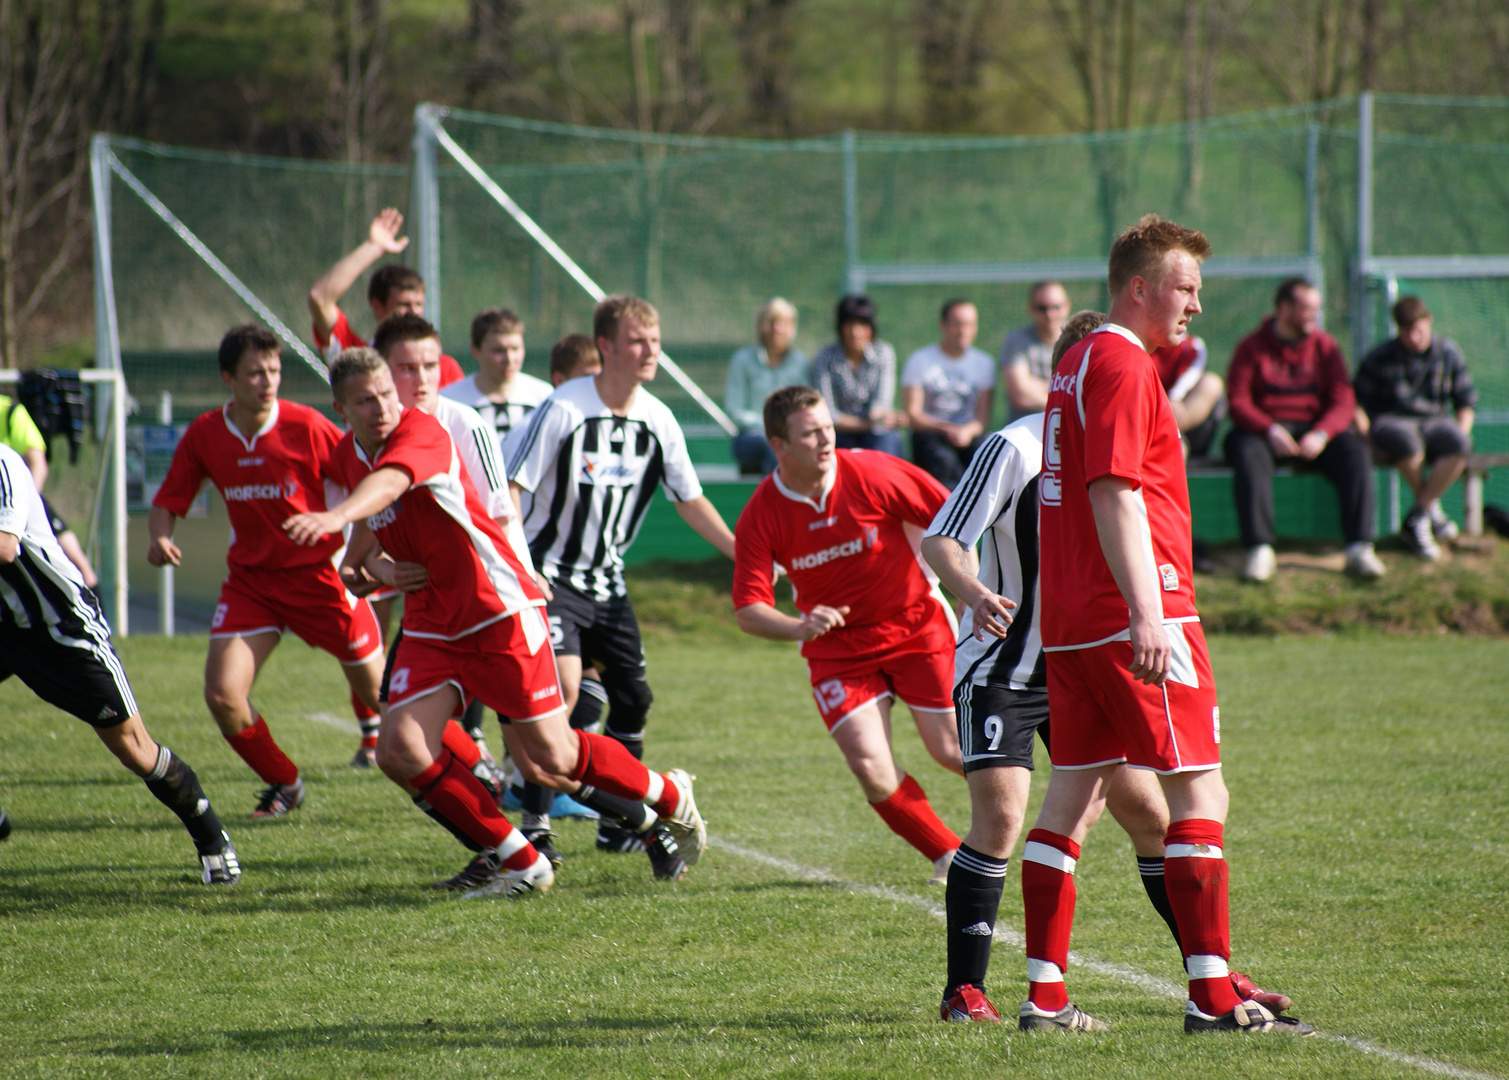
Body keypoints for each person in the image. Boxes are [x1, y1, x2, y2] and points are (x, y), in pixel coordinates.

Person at [922, 310, 1289, 1026]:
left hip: (1077, 657)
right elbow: (942, 538)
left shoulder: (1104, 434)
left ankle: (1207, 968)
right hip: (1005, 664)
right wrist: (970, 592)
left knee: (1149, 817)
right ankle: (964, 990)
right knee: (1000, 819)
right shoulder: (1013, 447)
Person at [1022, 214, 1311, 1036]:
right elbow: (1114, 490)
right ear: (1139, 287)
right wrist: (1149, 611)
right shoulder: (1116, 360)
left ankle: (1044, 996)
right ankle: (1212, 996)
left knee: (1070, 797)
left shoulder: (1075, 361)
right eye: (1184, 288)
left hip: (1075, 622)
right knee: (1200, 792)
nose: (1194, 305)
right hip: (1132, 617)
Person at [286, 350, 705, 894]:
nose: (382, 406)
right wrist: (359, 560)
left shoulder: (425, 433)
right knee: (398, 747)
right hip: (434, 621)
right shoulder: (350, 453)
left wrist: (333, 519)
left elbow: (389, 484)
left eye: (387, 392)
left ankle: (669, 796)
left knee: (552, 757)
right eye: (366, 399)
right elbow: (378, 513)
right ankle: (521, 861)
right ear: (341, 407)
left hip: (496, 609)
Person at [506, 295, 733, 860]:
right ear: (605, 347)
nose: (650, 350)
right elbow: (511, 489)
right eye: (637, 341)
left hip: (609, 584)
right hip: (551, 579)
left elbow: (690, 498)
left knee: (633, 700)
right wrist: (520, 564)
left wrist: (742, 553)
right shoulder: (564, 409)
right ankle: (535, 823)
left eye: (654, 341)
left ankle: (617, 824)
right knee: (556, 701)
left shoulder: (657, 418)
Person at [732, 384, 963, 884]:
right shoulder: (762, 512)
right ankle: (952, 856)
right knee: (869, 767)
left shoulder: (874, 471)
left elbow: (954, 519)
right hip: (838, 651)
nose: (824, 439)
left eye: (827, 427)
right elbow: (749, 609)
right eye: (810, 432)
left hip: (915, 626)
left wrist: (970, 596)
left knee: (953, 751)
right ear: (779, 447)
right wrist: (800, 625)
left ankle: (1047, 804)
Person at [148, 325, 386, 809]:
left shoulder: (308, 426)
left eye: (274, 370)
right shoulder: (206, 434)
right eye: (255, 372)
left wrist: (345, 530)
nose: (268, 380)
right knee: (222, 694)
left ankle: (469, 765)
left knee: (389, 697)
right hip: (253, 585)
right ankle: (286, 783)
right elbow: (169, 499)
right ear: (228, 379)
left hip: (322, 580)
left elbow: (369, 487)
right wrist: (159, 535)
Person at [1, 442, 240, 884]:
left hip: (62, 627)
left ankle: (211, 838)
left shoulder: (2, 460)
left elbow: (5, 548)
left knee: (135, 749)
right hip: (5, 622)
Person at [1226, 278, 1381, 582]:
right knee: (1244, 449)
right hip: (1266, 433)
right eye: (1307, 309)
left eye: (1317, 309)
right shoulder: (1251, 347)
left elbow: (1343, 400)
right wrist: (1269, 429)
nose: (1315, 315)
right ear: (1284, 308)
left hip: (1315, 432)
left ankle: (1359, 548)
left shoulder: (1326, 347)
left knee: (1355, 452)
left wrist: (1322, 433)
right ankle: (1260, 549)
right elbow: (1238, 401)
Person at [1354, 296, 1477, 561]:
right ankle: (1429, 512)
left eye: (1418, 329)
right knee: (1407, 442)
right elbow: (1357, 404)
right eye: (1406, 331)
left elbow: (1466, 402)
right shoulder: (1380, 357)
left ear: (1429, 320)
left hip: (1436, 422)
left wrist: (1461, 433)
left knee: (1460, 445)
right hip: (1392, 421)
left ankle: (1419, 513)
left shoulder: (1449, 353)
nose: (1414, 337)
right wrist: (1368, 440)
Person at [306, 206, 464, 386]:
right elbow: (320, 299)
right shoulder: (355, 359)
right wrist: (373, 247)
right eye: (404, 304)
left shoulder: (444, 367)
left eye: (419, 304)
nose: (414, 312)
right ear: (377, 307)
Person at [0, 389, 99, 588]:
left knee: (78, 561)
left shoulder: (9, 410)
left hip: (17, 498)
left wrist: (24, 507)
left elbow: (38, 464)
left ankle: (97, 606)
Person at [901, 299, 995, 489]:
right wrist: (945, 428)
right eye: (957, 324)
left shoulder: (985, 363)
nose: (963, 331)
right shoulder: (920, 361)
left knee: (986, 456)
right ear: (942, 325)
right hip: (931, 434)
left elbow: (981, 420)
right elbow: (913, 415)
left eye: (969, 325)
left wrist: (966, 431)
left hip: (969, 434)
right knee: (943, 461)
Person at [441, 308, 554, 449]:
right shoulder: (450, 401)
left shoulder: (544, 397)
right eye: (498, 350)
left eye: (515, 349)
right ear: (475, 351)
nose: (509, 359)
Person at [810, 294, 905, 458]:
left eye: (862, 325)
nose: (855, 332)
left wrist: (884, 417)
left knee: (886, 440)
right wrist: (867, 424)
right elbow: (828, 414)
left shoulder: (884, 353)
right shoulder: (824, 357)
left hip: (875, 432)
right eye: (849, 325)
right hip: (839, 434)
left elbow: (881, 403)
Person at [724, 298, 810, 475]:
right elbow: (734, 410)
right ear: (761, 325)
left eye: (783, 323)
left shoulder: (801, 364)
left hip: (791, 437)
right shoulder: (742, 361)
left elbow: (805, 407)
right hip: (750, 438)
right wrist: (771, 427)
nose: (776, 328)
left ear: (792, 328)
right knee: (773, 444)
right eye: (771, 322)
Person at [999, 281, 1070, 420]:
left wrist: (1036, 384)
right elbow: (1021, 396)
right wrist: (1063, 391)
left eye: (1057, 307)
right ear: (1030, 308)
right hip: (1026, 430)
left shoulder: (1080, 340)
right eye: (1042, 308)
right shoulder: (1016, 341)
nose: (1050, 314)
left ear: (1067, 306)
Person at [1150, 336, 1225, 459]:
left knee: (1211, 383)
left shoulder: (1192, 346)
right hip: (1146, 421)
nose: (1186, 319)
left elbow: (1192, 375)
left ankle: (1165, 431)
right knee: (1174, 445)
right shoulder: (1137, 345)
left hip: (1183, 425)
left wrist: (1174, 397)